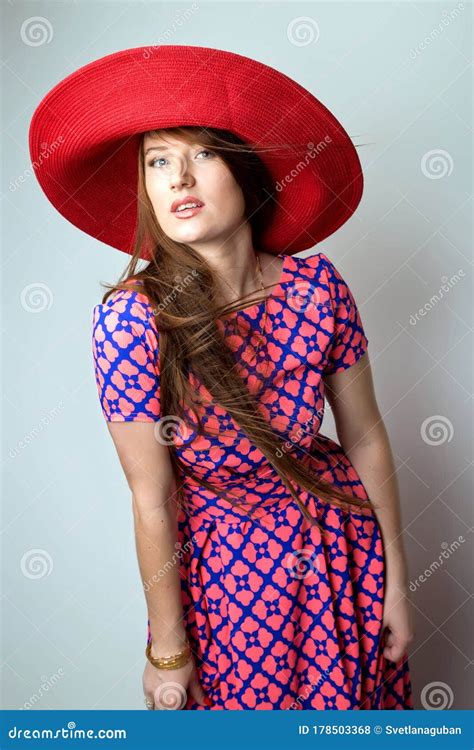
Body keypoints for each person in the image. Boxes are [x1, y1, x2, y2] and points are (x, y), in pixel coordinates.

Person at [29, 45, 415, 711]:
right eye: (157, 161)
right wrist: (169, 655)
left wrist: (397, 583)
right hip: (230, 583)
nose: (178, 178)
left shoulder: (318, 288)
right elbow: (153, 500)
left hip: (343, 556)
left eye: (201, 154)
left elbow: (368, 437)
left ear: (244, 170)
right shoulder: (133, 322)